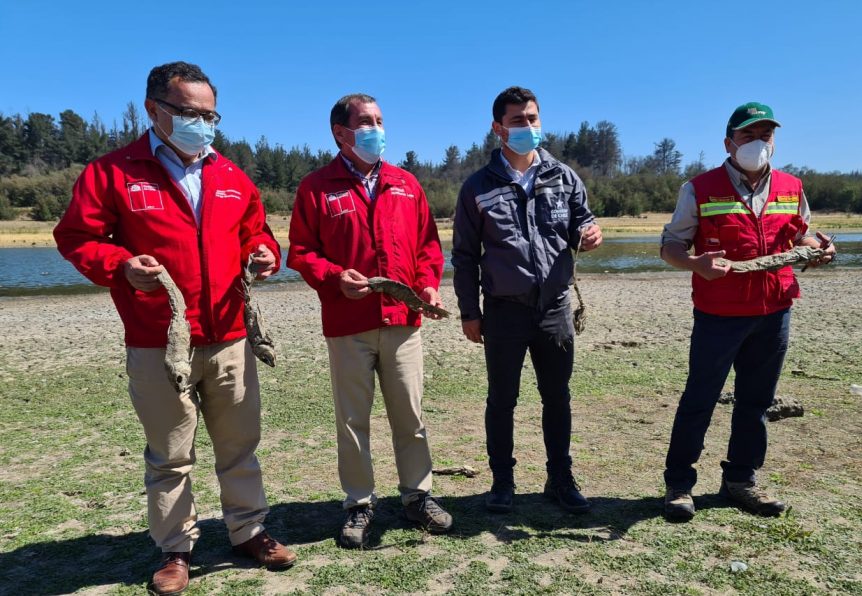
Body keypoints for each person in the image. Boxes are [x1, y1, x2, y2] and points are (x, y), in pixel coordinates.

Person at [54, 61, 295, 595]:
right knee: (170, 454)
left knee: (239, 445)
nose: (201, 123)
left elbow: (260, 233)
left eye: (210, 115)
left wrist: (263, 254)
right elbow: (76, 238)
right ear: (153, 110)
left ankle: (249, 530)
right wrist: (120, 265)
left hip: (230, 336)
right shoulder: (113, 172)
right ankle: (176, 549)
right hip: (159, 341)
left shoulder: (230, 175)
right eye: (188, 112)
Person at [288, 93, 453, 549]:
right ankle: (358, 503)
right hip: (348, 324)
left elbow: (427, 247)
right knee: (352, 420)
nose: (377, 129)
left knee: (411, 417)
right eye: (366, 122)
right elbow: (300, 253)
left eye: (380, 120)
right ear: (340, 132)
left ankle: (418, 496)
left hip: (403, 321)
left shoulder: (405, 183)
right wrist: (335, 277)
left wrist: (428, 283)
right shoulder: (317, 187)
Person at [660, 102, 836, 521]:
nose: (757, 143)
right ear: (729, 142)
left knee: (756, 402)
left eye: (765, 136)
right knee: (699, 399)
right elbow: (669, 247)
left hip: (775, 311)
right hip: (719, 314)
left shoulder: (792, 187)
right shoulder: (699, 188)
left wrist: (819, 250)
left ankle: (741, 481)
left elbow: (802, 237)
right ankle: (679, 485)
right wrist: (695, 264)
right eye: (748, 135)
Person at [451, 86, 603, 514]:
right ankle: (502, 482)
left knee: (558, 397)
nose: (529, 127)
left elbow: (582, 226)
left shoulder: (563, 176)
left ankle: (560, 478)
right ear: (498, 128)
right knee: (502, 400)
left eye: (533, 118)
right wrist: (469, 312)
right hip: (503, 310)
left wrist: (591, 236)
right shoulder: (477, 187)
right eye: (519, 120)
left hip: (554, 308)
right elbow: (464, 256)